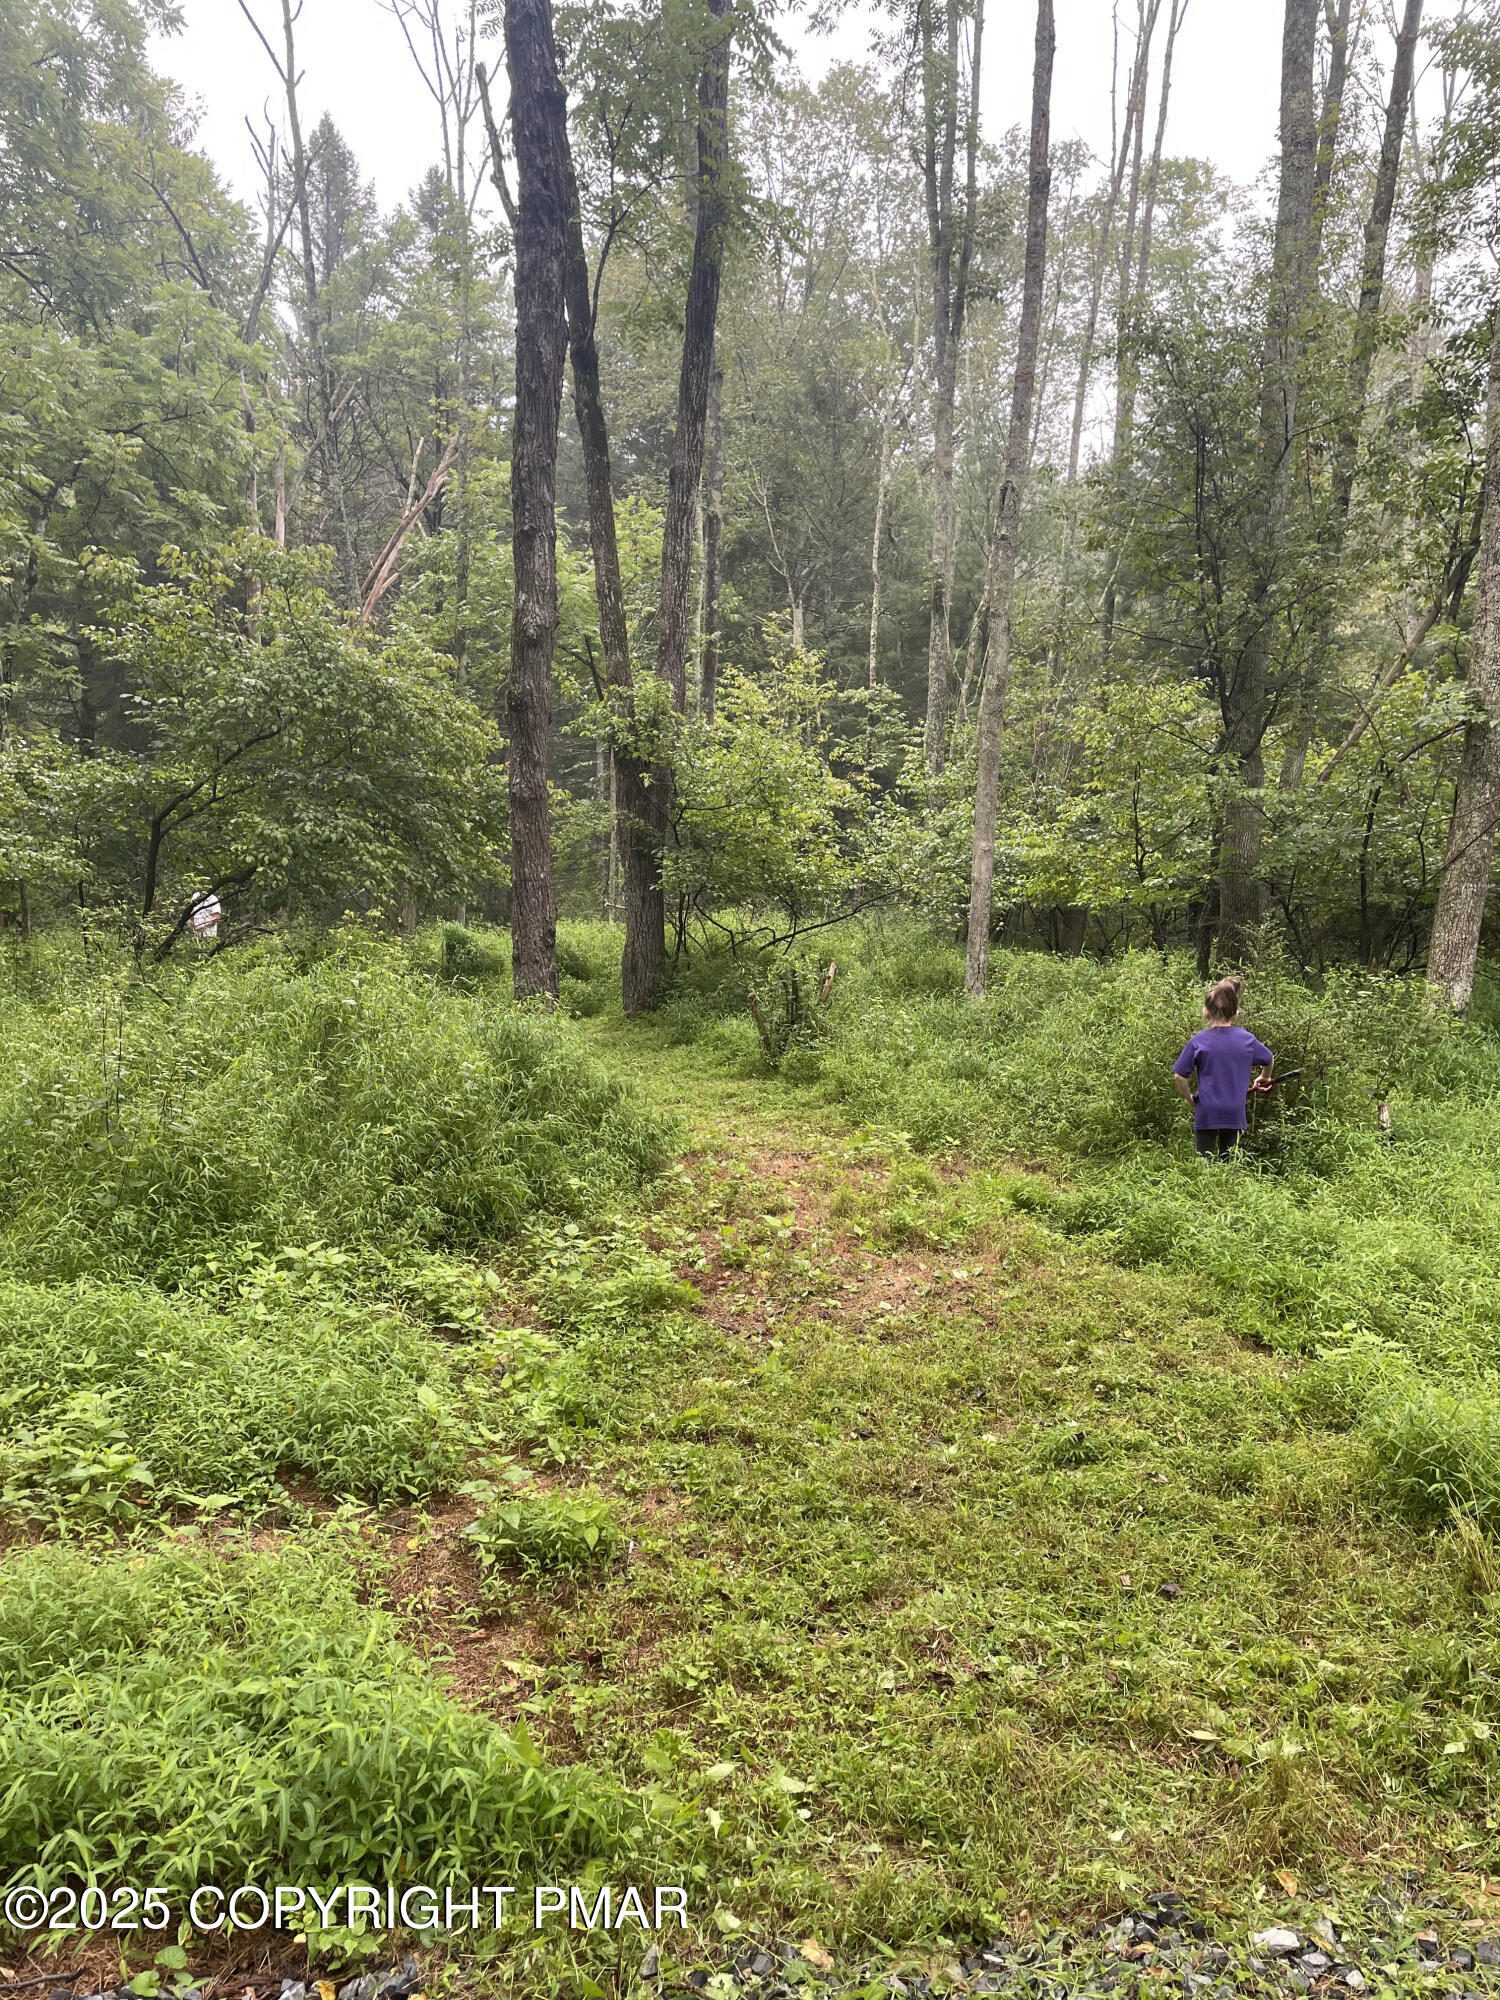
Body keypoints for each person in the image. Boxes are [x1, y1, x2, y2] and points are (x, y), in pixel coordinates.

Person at [1171, 975, 1273, 1159]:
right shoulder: (1247, 1039)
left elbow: (1179, 1076)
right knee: (1229, 1160)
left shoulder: (1198, 1041)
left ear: (1205, 1012)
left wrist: (1191, 1100)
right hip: (1234, 1111)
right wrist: (1265, 1076)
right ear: (1235, 1014)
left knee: (1205, 1161)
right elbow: (1268, 1058)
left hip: (1207, 1111)